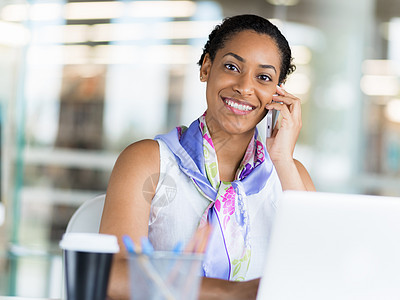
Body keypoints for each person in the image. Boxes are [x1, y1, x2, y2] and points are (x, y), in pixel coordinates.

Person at [100, 14, 316, 300]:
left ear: (278, 93)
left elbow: (316, 272)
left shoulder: (290, 174)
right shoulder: (148, 161)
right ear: (206, 67)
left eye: (263, 77)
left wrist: (282, 161)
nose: (245, 87)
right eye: (231, 67)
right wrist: (233, 293)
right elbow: (112, 276)